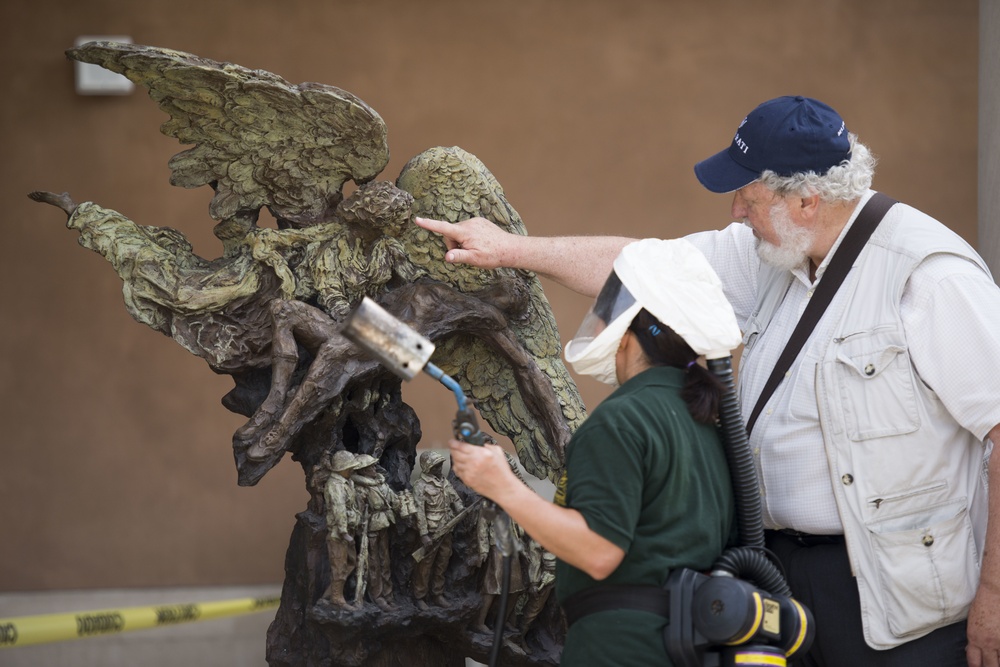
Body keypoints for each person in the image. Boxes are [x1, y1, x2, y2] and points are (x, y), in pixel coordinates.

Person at [417, 95, 1000, 667]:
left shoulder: (929, 275)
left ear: (806, 200)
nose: (735, 214)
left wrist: (995, 598)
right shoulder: (774, 254)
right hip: (778, 581)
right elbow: (643, 266)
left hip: (896, 599)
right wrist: (510, 249)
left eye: (747, 198)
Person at [450, 238, 739, 665]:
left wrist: (503, 486)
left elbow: (599, 552)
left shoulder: (623, 420)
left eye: (611, 304)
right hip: (691, 644)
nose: (600, 318)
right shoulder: (707, 424)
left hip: (622, 646)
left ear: (631, 329)